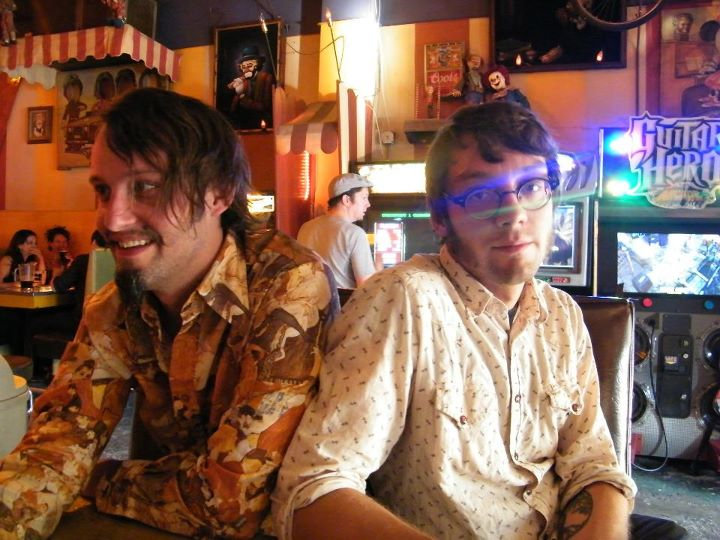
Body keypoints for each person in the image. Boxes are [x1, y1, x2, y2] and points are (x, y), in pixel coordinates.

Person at [273, 102, 638, 539]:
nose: (514, 213)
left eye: (532, 187)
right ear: (440, 217)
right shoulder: (403, 300)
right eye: (481, 194)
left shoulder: (562, 315)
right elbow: (313, 490)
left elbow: (593, 464)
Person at [0, 87, 336, 539]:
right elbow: (50, 456)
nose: (111, 219)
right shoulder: (115, 308)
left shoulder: (287, 283)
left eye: (146, 187)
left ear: (218, 194)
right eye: (103, 190)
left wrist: (99, 477)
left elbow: (233, 502)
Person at [297, 173, 380, 289]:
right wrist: (379, 271)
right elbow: (366, 287)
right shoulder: (355, 234)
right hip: (343, 300)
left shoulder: (306, 228)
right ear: (347, 200)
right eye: (364, 198)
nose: (368, 204)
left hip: (308, 300)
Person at [227, 45, 275, 129]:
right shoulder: (243, 79)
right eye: (244, 67)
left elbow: (265, 105)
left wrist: (246, 101)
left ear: (256, 65)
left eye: (249, 66)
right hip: (243, 120)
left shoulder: (266, 78)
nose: (246, 69)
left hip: (260, 119)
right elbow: (231, 91)